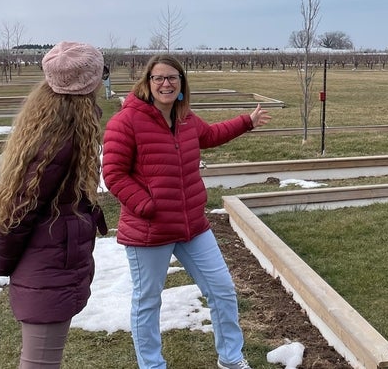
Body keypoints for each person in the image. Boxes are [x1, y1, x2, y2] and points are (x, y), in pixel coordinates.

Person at [101, 55, 271, 369]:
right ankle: (152, 365)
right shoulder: (126, 122)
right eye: (159, 78)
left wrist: (246, 122)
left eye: (172, 78)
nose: (166, 84)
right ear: (148, 84)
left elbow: (211, 135)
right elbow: (113, 174)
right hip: (150, 230)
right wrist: (146, 206)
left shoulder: (185, 119)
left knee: (221, 289)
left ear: (181, 83)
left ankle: (231, 359)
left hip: (192, 225)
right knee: (148, 301)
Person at [0, 41, 108, 369]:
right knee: (40, 362)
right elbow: (18, 210)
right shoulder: (58, 138)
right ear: (90, 83)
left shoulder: (62, 125)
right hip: (47, 265)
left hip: (52, 259)